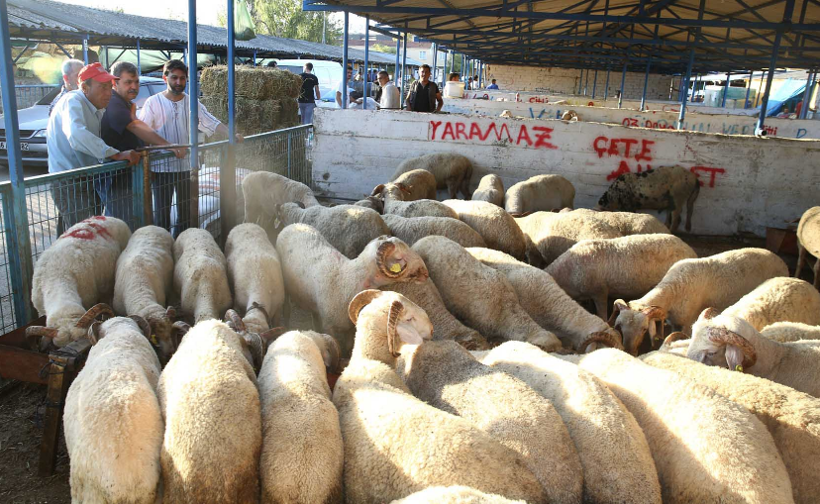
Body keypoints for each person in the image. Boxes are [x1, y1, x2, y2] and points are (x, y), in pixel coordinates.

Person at [138, 59, 242, 238]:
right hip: (161, 169)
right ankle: (163, 249)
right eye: (174, 78)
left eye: (182, 78)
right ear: (165, 78)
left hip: (186, 167)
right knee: (162, 215)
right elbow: (143, 132)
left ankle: (181, 247)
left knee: (185, 213)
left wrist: (230, 134)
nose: (178, 82)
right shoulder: (152, 103)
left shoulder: (191, 102)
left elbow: (209, 121)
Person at [47, 62, 142, 232]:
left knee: (83, 232)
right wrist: (115, 154)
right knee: (83, 236)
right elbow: (76, 135)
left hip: (86, 176)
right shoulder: (73, 101)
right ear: (84, 87)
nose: (108, 93)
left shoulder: (96, 107)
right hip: (70, 181)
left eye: (109, 86)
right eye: (102, 87)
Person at [99, 61, 185, 226]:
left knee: (133, 221)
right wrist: (169, 145)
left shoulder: (125, 104)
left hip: (128, 174)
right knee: (123, 224)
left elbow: (136, 126)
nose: (134, 86)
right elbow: (136, 126)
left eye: (136, 82)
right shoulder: (114, 103)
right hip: (116, 177)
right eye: (128, 82)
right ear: (114, 83)